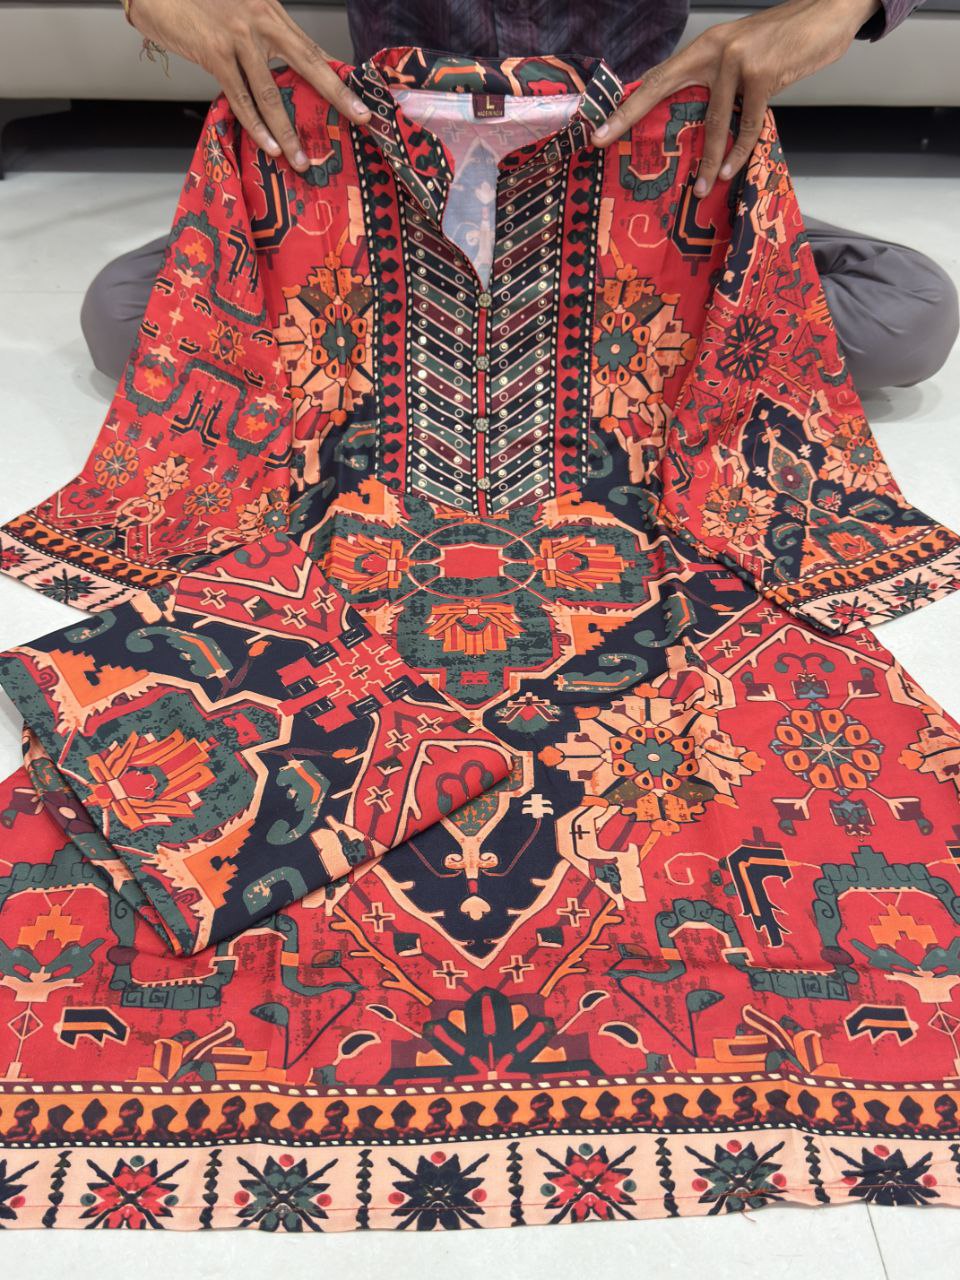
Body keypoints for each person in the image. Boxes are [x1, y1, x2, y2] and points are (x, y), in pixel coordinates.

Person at [81, 0, 959, 393]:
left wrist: (844, 6)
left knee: (910, 313)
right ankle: (556, 356)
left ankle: (449, 355)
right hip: (392, 184)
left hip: (626, 190)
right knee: (123, 314)